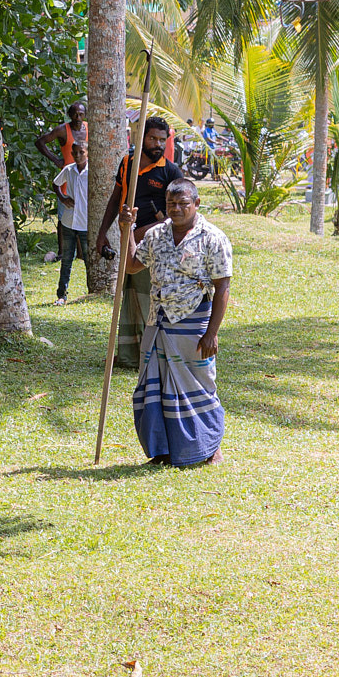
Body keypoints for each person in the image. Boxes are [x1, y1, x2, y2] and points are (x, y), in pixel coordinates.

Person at [128, 180, 231, 468]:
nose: (177, 209)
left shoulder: (213, 237)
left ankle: (210, 447)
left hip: (193, 320)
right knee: (154, 386)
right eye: (172, 203)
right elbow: (133, 266)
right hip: (158, 321)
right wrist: (126, 230)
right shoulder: (156, 234)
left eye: (184, 203)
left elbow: (222, 288)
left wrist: (212, 333)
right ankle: (162, 450)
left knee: (200, 385)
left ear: (196, 204)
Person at [92, 114, 183, 368]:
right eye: (153, 138)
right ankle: (130, 355)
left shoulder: (170, 171)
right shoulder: (127, 162)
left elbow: (177, 216)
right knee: (129, 296)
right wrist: (102, 234)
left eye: (162, 140)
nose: (158, 144)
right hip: (126, 240)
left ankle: (152, 356)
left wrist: (144, 231)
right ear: (141, 137)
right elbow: (116, 198)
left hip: (153, 247)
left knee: (148, 298)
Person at [51, 140, 88, 306]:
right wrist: (63, 198)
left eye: (82, 152)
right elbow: (56, 183)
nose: (78, 156)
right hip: (68, 221)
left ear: (87, 153)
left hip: (86, 223)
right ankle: (62, 295)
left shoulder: (91, 172)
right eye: (76, 153)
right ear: (71, 154)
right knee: (67, 259)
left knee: (89, 259)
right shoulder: (69, 170)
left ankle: (91, 292)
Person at [35, 101, 87, 171]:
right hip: (68, 176)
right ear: (70, 115)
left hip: (86, 176)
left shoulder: (89, 128)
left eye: (81, 114)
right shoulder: (62, 130)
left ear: (85, 115)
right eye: (75, 114)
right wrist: (56, 160)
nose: (78, 118)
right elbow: (39, 142)